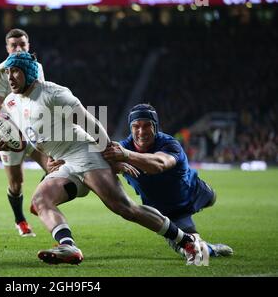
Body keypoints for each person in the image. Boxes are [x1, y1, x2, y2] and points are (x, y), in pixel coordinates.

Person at [0, 52, 209, 266]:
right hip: (63, 162)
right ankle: (68, 246)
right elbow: (19, 137)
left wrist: (110, 157)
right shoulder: (11, 103)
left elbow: (91, 123)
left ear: (28, 73)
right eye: (8, 72)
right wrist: (2, 142)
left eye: (16, 72)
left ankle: (186, 240)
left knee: (125, 208)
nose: (10, 77)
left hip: (85, 153)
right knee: (39, 201)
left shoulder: (52, 93)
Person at [100, 103, 233, 258]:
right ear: (130, 127)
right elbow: (99, 164)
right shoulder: (122, 148)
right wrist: (116, 164)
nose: (141, 131)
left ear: (155, 127)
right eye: (136, 126)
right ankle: (212, 249)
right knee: (195, 253)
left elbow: (160, 164)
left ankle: (207, 198)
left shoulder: (169, 144)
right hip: (170, 214)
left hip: (195, 191)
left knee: (212, 197)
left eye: (147, 125)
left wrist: (126, 156)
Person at [0, 29, 48, 237]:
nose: (18, 48)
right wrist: (13, 131)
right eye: (13, 45)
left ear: (28, 45)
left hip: (33, 130)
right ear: (7, 48)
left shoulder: (37, 67)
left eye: (22, 44)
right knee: (16, 183)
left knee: (54, 168)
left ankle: (38, 199)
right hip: (11, 135)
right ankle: (20, 220)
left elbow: (39, 97)